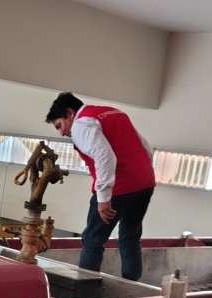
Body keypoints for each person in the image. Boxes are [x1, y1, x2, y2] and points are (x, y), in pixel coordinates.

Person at [46, 92, 155, 281]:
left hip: (119, 186)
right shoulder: (114, 112)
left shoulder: (81, 124)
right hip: (145, 183)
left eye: (59, 125)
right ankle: (132, 285)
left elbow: (105, 156)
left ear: (70, 113)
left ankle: (85, 291)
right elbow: (145, 146)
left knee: (92, 240)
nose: (62, 133)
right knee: (130, 236)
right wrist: (140, 174)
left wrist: (103, 197)